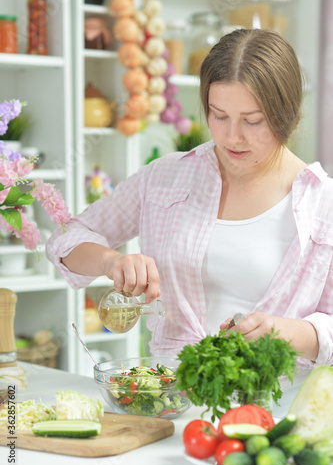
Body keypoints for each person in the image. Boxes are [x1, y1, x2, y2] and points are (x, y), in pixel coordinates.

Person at [46, 28, 333, 368]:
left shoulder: (322, 205)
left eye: (252, 121)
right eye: (219, 116)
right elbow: (65, 239)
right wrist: (111, 261)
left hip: (275, 408)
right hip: (172, 397)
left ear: (286, 114)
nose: (232, 136)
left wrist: (286, 332)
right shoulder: (166, 177)